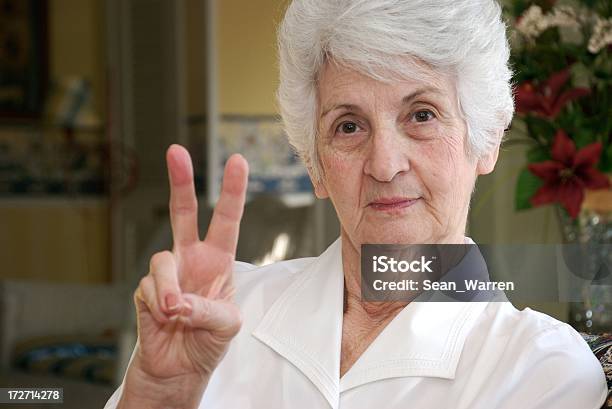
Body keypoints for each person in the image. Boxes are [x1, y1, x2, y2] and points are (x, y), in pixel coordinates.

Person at [104, 0, 608, 408]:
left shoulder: (540, 367)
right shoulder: (223, 312)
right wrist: (162, 398)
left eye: (422, 115)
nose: (385, 164)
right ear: (315, 164)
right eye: (348, 125)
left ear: (487, 140)